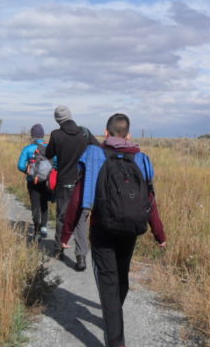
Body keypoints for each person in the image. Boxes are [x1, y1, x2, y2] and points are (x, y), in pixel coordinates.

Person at [61, 113, 166, 347]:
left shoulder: (94, 154)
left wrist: (66, 232)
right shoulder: (142, 159)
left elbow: (78, 197)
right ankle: (113, 317)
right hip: (131, 228)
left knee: (108, 281)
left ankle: (115, 339)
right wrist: (159, 234)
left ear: (105, 134)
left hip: (102, 228)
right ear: (129, 135)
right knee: (121, 278)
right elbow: (150, 199)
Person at [45, 105, 99, 270]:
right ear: (70, 116)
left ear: (57, 120)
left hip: (64, 182)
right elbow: (98, 149)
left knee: (62, 216)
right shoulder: (85, 133)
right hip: (83, 183)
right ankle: (81, 257)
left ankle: (59, 250)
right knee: (81, 219)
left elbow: (48, 155)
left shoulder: (56, 135)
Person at [17, 123, 52, 242]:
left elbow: (20, 165)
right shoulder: (49, 147)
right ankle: (44, 227)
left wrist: (28, 171)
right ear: (42, 135)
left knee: (35, 204)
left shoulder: (27, 148)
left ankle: (36, 229)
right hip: (46, 181)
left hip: (32, 181)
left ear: (33, 135)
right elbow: (56, 163)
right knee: (44, 203)